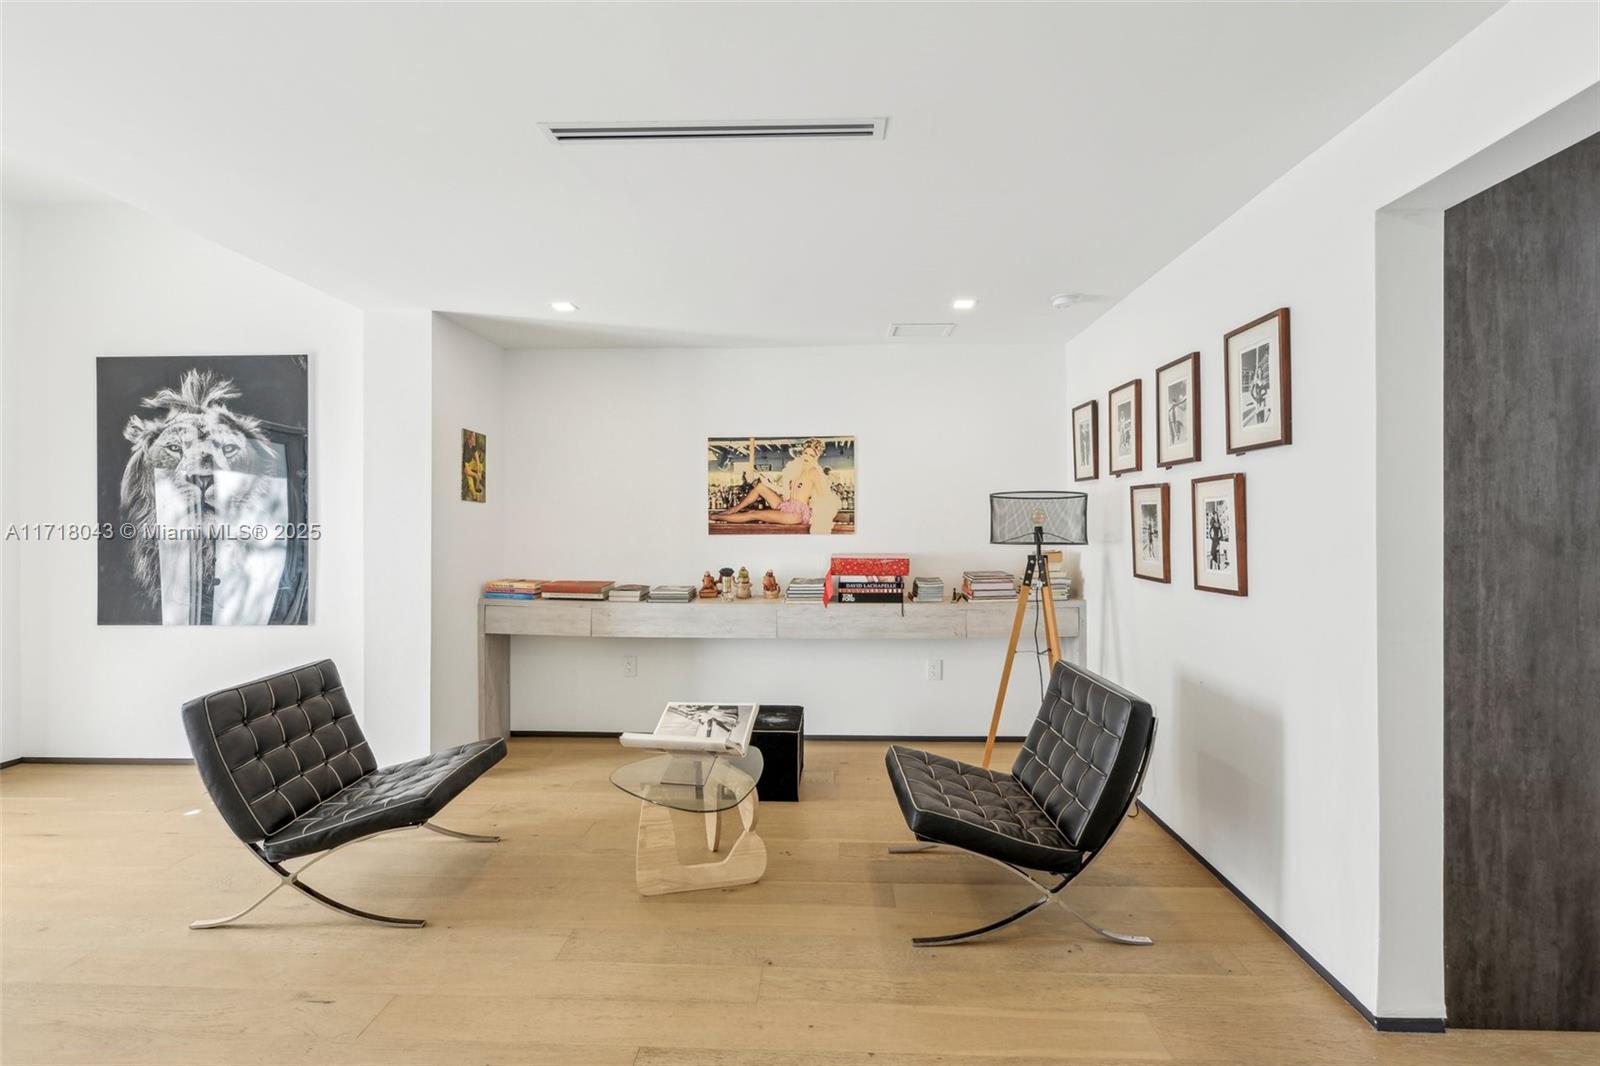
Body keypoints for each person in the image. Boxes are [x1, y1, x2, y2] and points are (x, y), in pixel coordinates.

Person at [717, 439, 828, 527]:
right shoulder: (799, 470)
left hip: (796, 514)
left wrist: (815, 518)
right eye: (806, 453)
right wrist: (769, 483)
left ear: (816, 457)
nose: (807, 457)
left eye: (811, 455)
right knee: (760, 487)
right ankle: (735, 509)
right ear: (802, 453)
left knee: (753, 514)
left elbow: (823, 497)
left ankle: (715, 517)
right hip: (788, 504)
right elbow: (785, 490)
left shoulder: (813, 472)